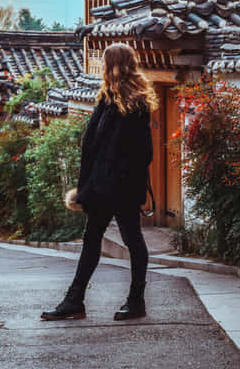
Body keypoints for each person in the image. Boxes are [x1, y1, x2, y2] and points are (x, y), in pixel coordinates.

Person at [41, 43, 157, 321]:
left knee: (132, 239)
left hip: (121, 187)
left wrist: (119, 180)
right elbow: (93, 146)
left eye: (105, 62)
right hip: (100, 186)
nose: (102, 67)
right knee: (92, 239)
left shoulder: (136, 104)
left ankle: (136, 300)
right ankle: (75, 300)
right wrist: (87, 187)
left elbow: (143, 152)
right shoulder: (106, 99)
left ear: (114, 65)